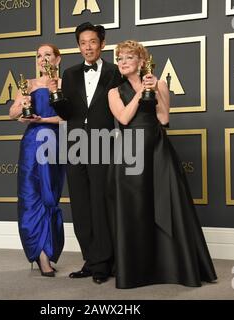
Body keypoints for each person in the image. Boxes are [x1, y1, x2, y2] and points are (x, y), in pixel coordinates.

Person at [107, 40, 217, 288]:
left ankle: (172, 268)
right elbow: (124, 118)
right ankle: (136, 270)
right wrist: (139, 93)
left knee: (167, 204)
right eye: (120, 58)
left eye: (128, 58)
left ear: (141, 61)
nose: (123, 63)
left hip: (157, 148)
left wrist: (155, 90)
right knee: (134, 210)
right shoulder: (114, 92)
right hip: (129, 154)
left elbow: (164, 118)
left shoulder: (161, 84)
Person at [49, 22, 122, 284]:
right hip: (75, 145)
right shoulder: (68, 74)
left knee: (100, 203)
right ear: (78, 46)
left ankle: (104, 263)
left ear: (102, 44)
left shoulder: (115, 72)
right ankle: (90, 260)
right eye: (83, 42)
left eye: (92, 41)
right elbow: (66, 114)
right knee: (80, 205)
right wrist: (55, 96)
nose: (88, 47)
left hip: (103, 143)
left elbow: (122, 109)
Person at [9, 44, 66, 277]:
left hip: (54, 143)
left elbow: (68, 117)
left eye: (47, 55)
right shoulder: (28, 85)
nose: (42, 59)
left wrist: (44, 119)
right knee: (30, 196)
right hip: (32, 144)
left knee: (49, 196)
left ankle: (49, 249)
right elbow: (13, 113)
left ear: (57, 60)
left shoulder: (64, 85)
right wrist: (23, 108)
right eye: (39, 56)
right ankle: (41, 255)